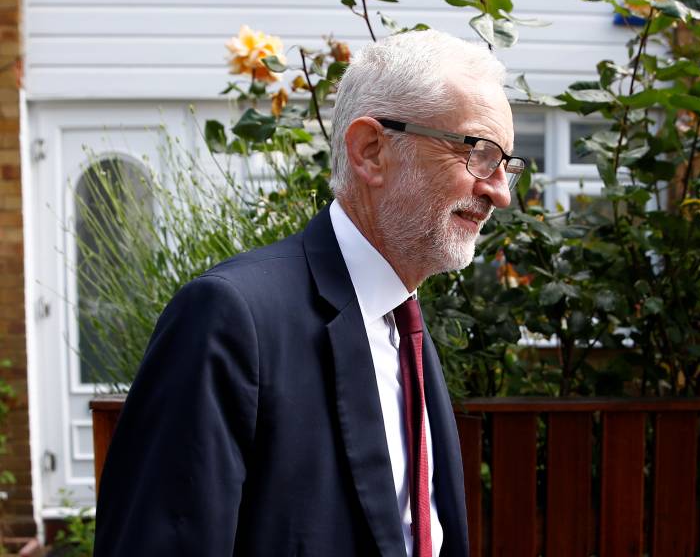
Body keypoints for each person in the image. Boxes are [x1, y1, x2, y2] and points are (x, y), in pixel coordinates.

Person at [94, 30, 525, 556]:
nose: (499, 192)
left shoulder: (401, 319)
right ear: (371, 151)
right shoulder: (231, 318)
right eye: (478, 154)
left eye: (507, 165)